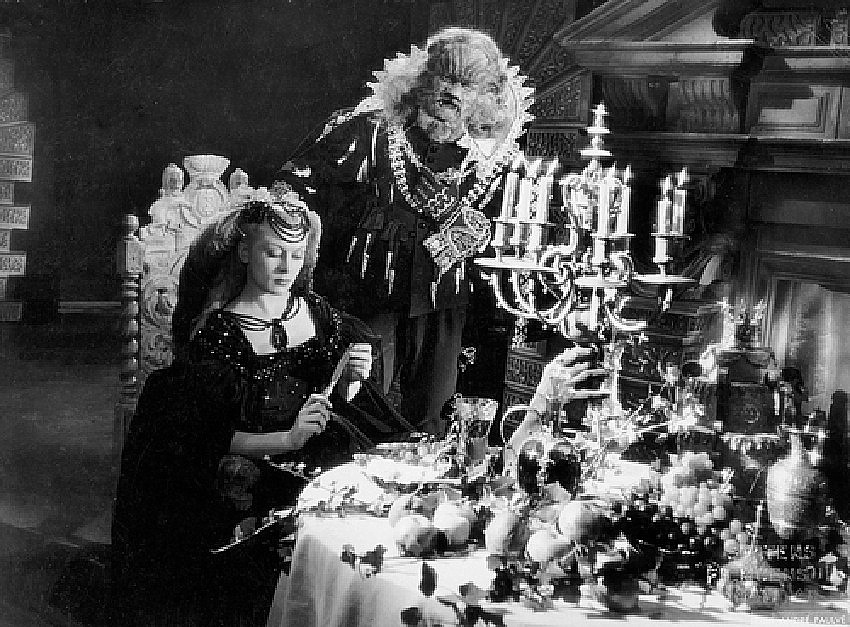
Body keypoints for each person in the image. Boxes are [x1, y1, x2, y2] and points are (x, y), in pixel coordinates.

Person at [112, 183, 412, 626]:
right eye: (273, 253)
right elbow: (205, 439)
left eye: (296, 255)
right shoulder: (220, 334)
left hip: (329, 447)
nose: (286, 267)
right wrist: (288, 438)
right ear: (244, 252)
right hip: (264, 464)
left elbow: (340, 399)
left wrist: (350, 379)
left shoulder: (317, 312)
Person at [276, 27, 534, 432]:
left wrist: (478, 233)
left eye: (465, 89)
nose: (450, 97)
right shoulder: (372, 130)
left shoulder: (496, 161)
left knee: (434, 419)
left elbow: (511, 233)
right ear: (420, 82)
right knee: (359, 407)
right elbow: (297, 184)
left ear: (484, 101)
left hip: (444, 301)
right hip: (369, 293)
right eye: (443, 83)